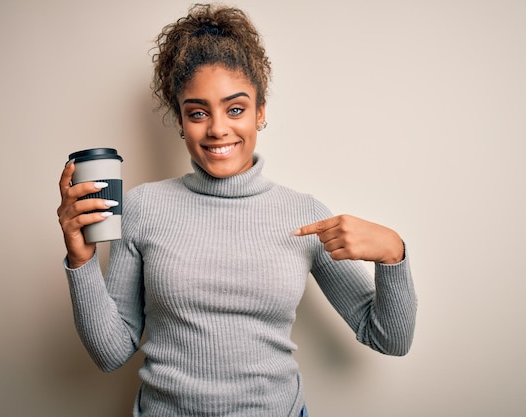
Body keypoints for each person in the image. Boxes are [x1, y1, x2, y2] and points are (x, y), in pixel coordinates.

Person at [57, 4, 417, 417]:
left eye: (235, 108)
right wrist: (80, 259)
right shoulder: (142, 207)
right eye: (197, 112)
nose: (217, 129)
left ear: (260, 112)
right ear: (180, 120)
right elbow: (111, 352)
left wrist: (393, 253)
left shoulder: (302, 214)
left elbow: (390, 338)